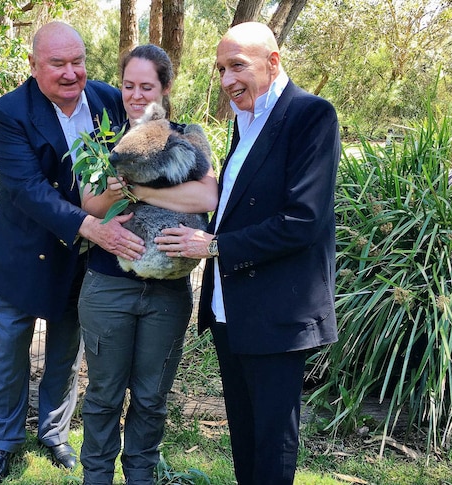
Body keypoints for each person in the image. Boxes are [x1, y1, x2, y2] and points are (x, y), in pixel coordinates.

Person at [155, 22, 341, 484]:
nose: (226, 80)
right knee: (243, 432)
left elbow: (304, 220)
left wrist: (214, 246)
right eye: (221, 68)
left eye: (237, 65)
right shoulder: (245, 119)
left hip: (278, 310)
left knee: (273, 440)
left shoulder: (310, 115)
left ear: (273, 62)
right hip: (230, 308)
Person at [0, 21, 146, 484]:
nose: (72, 73)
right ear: (34, 66)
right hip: (21, 256)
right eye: (58, 64)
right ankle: (3, 440)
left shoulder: (111, 100)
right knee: (11, 351)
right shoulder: (9, 112)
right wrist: (92, 226)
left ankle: (54, 433)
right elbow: (27, 189)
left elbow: (139, 156)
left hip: (82, 260)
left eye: (78, 61)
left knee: (66, 350)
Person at [77, 44, 218, 485]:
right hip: (108, 284)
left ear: (165, 87)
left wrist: (137, 187)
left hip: (168, 291)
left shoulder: (187, 135)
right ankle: (96, 477)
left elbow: (206, 198)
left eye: (146, 86)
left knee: (153, 397)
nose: (136, 95)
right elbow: (90, 204)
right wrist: (122, 186)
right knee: (102, 395)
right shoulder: (104, 138)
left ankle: (142, 476)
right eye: (128, 85)